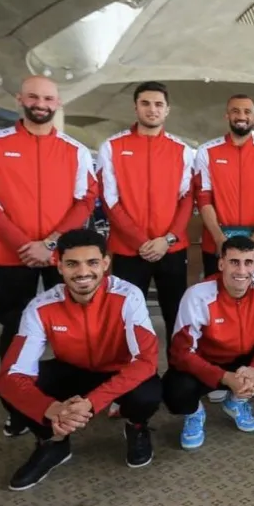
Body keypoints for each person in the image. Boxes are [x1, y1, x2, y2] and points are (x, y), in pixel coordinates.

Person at [0, 75, 98, 437]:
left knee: (73, 327)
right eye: (34, 97)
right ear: (19, 99)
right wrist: (25, 244)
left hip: (64, 258)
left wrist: (53, 243)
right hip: (14, 257)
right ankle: (18, 406)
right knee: (15, 331)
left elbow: (85, 200)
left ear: (57, 104)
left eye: (48, 98)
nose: (40, 103)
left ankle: (74, 397)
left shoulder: (74, 150)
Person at [0, 229, 161, 490]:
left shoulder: (129, 296)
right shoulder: (40, 306)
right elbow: (12, 374)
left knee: (148, 393)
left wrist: (91, 404)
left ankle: (136, 426)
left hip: (117, 370)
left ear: (106, 263)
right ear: (58, 265)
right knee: (12, 389)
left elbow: (146, 360)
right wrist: (50, 410)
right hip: (71, 370)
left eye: (92, 263)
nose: (83, 272)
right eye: (72, 264)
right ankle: (53, 443)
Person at [162, 236, 254, 450]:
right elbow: (181, 352)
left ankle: (236, 401)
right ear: (221, 263)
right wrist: (224, 377)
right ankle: (195, 413)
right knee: (173, 391)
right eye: (234, 262)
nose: (242, 271)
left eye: (248, 262)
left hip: (243, 361)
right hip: (207, 364)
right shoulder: (197, 295)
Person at [96, 81, 195, 356]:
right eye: (146, 103)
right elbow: (109, 200)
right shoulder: (112, 147)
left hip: (171, 248)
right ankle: (129, 380)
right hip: (129, 248)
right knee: (127, 315)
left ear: (167, 110)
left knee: (176, 314)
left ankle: (179, 378)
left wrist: (168, 239)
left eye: (158, 104)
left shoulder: (182, 150)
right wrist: (140, 240)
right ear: (136, 107)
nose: (152, 110)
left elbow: (187, 198)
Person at [194, 94, 254, 280]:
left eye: (247, 112)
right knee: (215, 299)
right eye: (235, 111)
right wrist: (219, 238)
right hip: (216, 241)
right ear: (227, 116)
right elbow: (203, 198)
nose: (241, 116)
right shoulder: (206, 151)